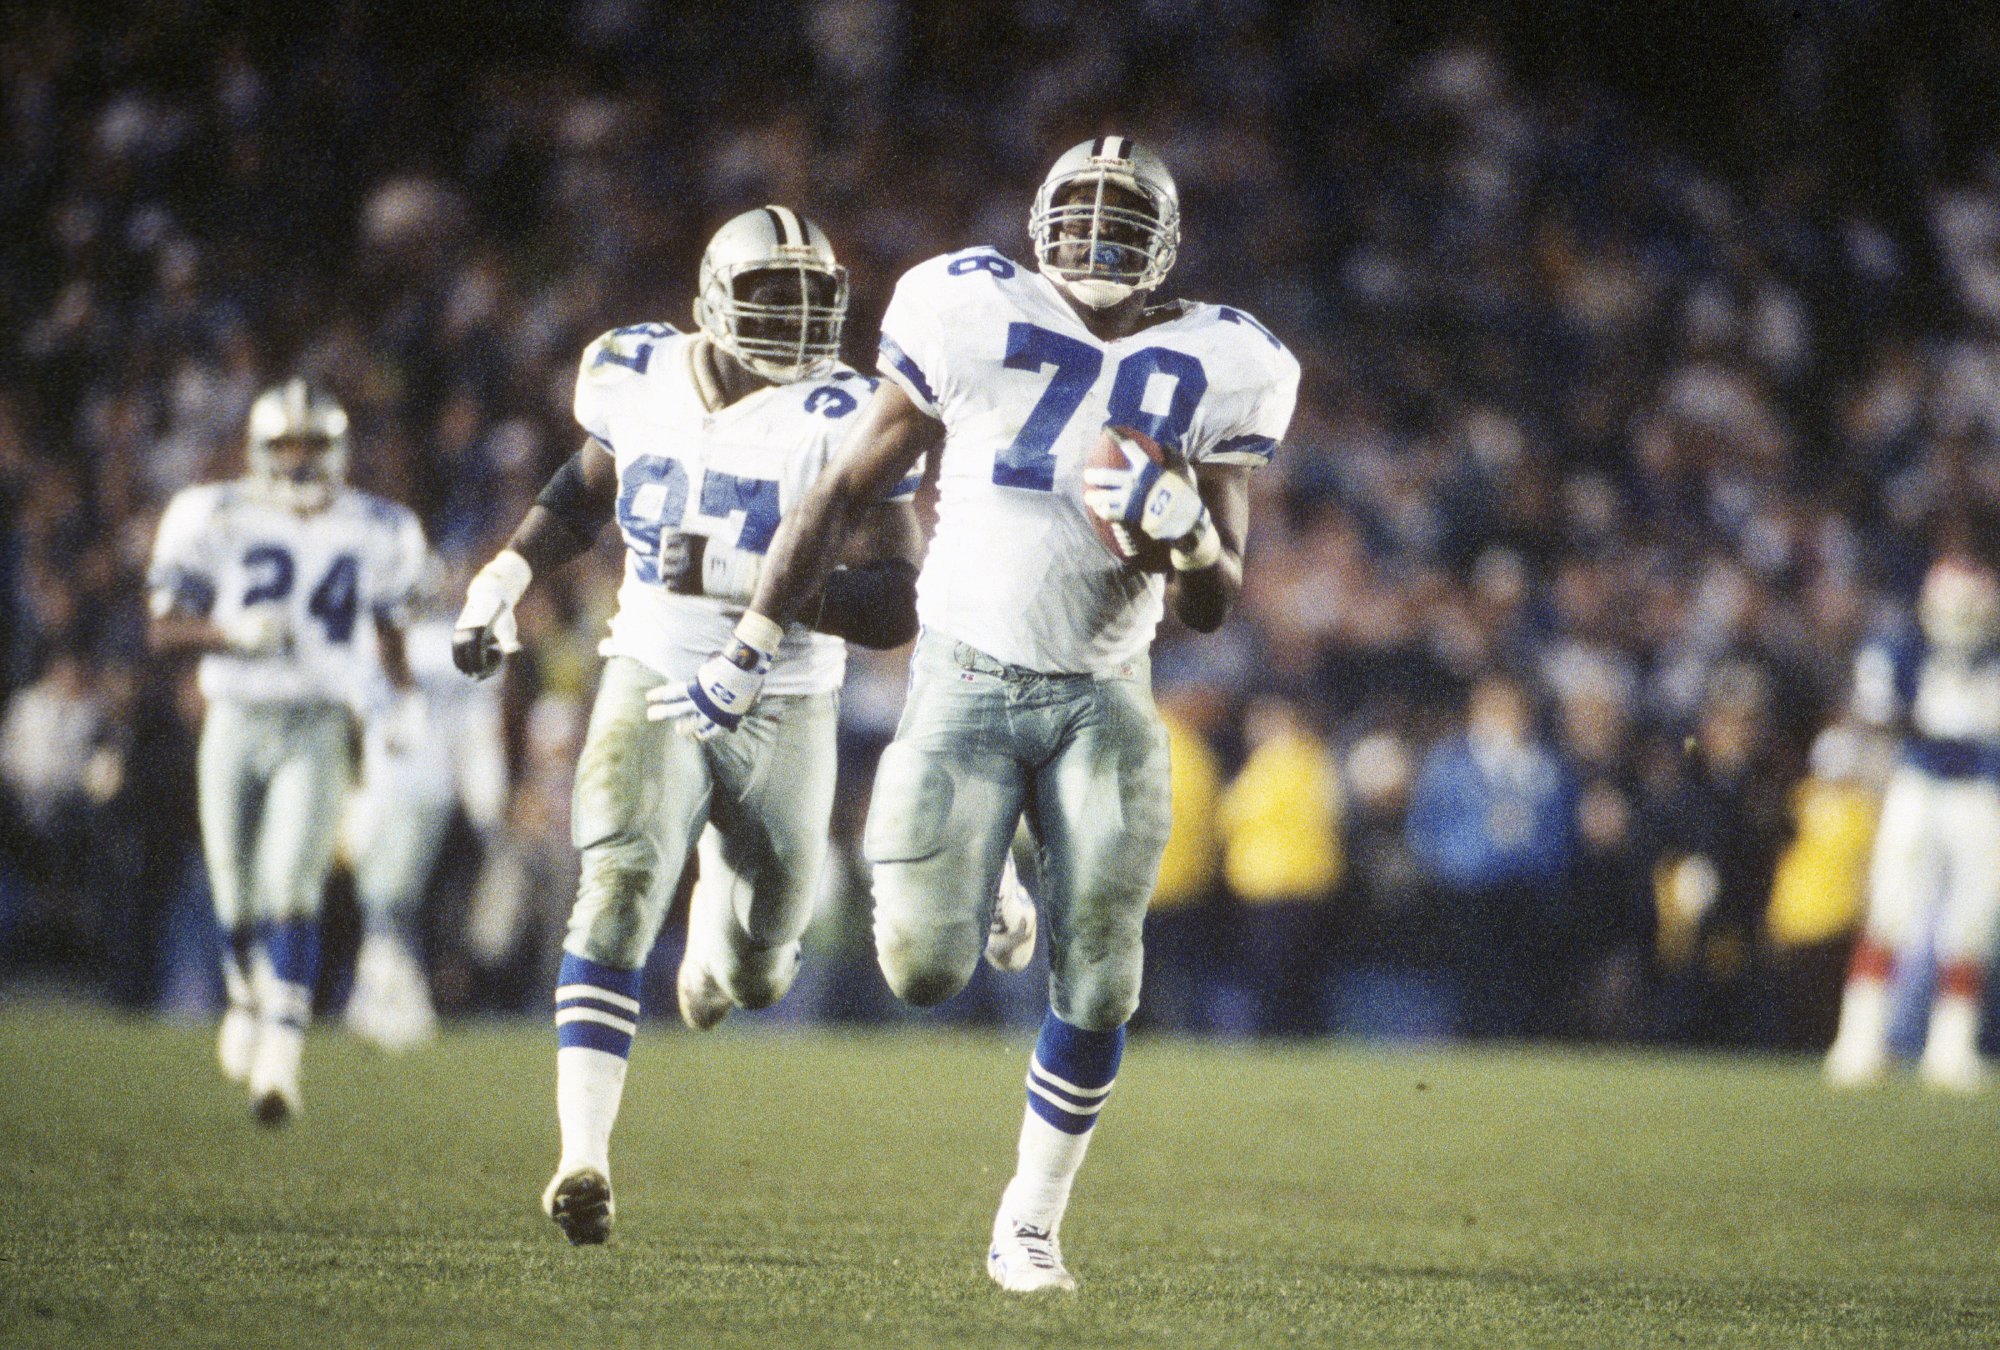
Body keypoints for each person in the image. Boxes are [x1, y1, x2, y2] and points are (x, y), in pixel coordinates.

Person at [658, 138, 1299, 1291]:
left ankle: (1030, 1221)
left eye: (1122, 214)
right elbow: (842, 488)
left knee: (1104, 967)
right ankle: (986, 858)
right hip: (962, 681)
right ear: (1039, 217)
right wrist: (752, 641)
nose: (1097, 234)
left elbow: (1212, 603)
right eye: (1081, 208)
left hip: (1104, 691)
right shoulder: (963, 307)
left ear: (1165, 242)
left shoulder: (1227, 360)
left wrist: (1189, 533)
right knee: (918, 969)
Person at [450, 206, 931, 1246]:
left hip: (789, 701)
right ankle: (583, 1155)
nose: (798, 322)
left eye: (815, 300)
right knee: (614, 881)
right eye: (773, 298)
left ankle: (717, 948)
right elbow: (585, 492)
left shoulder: (847, 409)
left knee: (761, 965)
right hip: (654, 666)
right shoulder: (633, 371)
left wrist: (753, 585)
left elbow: (897, 602)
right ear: (712, 298)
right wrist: (505, 572)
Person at [147, 379, 427, 1125]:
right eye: (286, 446)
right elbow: (163, 628)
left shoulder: (378, 526)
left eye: (313, 445)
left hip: (318, 719)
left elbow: (391, 634)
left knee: (291, 883)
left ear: (337, 451)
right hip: (236, 712)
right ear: (260, 450)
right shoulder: (214, 512)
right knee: (232, 888)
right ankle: (244, 995)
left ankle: (282, 1054)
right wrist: (229, 633)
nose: (300, 461)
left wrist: (399, 707)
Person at [1826, 548, 2000, 1092]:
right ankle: (1859, 1039)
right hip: (1919, 786)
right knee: (1890, 908)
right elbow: (1875, 715)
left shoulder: (1988, 656)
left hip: (1977, 792)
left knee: (1972, 920)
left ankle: (1950, 1048)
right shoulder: (1901, 647)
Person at [342, 560, 508, 1052]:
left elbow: (476, 727)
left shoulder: (444, 644)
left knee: (393, 899)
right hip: (384, 786)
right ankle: (382, 1000)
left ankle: (395, 1002)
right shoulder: (371, 645)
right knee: (383, 899)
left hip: (424, 785)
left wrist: (484, 792)